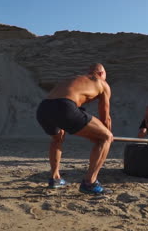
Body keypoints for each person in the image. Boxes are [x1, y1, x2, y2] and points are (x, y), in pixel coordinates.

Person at [36, 63, 113, 195]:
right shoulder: (101, 83)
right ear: (101, 74)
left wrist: (95, 134)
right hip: (65, 106)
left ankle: (55, 178)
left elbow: (59, 99)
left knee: (57, 139)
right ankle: (90, 182)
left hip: (43, 109)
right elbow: (105, 117)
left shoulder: (75, 79)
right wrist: (104, 136)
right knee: (106, 137)